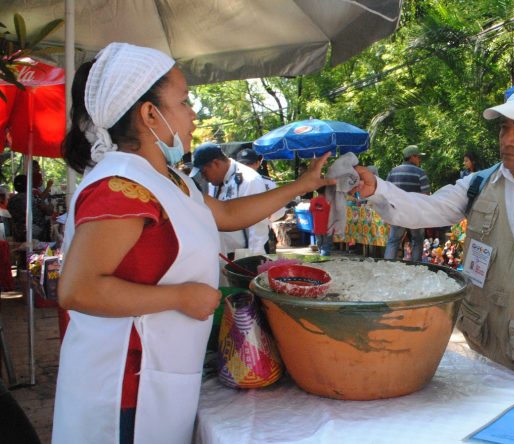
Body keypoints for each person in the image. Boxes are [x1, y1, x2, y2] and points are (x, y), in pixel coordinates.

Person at [53, 42, 332, 444]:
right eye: (184, 101)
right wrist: (180, 296)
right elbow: (78, 289)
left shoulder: (170, 179)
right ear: (150, 114)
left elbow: (229, 214)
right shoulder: (119, 187)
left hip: (161, 370)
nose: (193, 114)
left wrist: (301, 185)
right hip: (123, 387)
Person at [353, 85, 514, 397]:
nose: (507, 139)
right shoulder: (479, 184)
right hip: (479, 354)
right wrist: (377, 189)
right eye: (504, 128)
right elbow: (426, 209)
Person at [191, 143, 271, 258]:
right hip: (223, 254)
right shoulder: (214, 183)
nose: (203, 177)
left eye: (204, 172)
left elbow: (258, 224)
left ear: (216, 163)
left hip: (245, 255)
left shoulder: (249, 179)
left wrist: (254, 258)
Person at [236, 148, 288, 254]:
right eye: (244, 164)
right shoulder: (229, 183)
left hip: (255, 235)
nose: (247, 167)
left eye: (249, 164)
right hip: (242, 236)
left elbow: (278, 208)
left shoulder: (267, 183)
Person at [382, 145, 430, 260]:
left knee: (393, 241)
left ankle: (387, 265)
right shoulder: (420, 173)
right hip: (415, 213)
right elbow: (426, 195)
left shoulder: (393, 172)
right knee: (417, 241)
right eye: (418, 157)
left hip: (397, 212)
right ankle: (415, 267)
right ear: (411, 157)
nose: (419, 159)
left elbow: (386, 192)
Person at [8, 174, 53, 242]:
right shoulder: (32, 198)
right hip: (35, 233)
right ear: (28, 185)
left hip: (17, 233)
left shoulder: (11, 200)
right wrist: (51, 204)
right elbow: (49, 211)